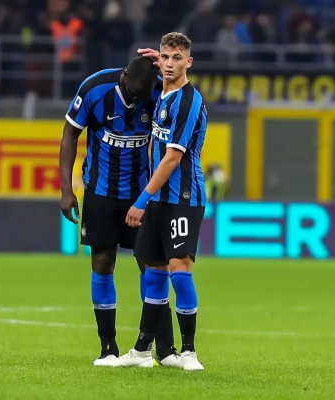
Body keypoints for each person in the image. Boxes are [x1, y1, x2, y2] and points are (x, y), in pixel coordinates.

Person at [59, 56, 181, 368]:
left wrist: (167, 62)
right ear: (124, 77)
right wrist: (66, 189)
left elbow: (186, 103)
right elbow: (70, 134)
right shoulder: (94, 88)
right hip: (100, 192)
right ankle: (108, 348)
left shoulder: (159, 93)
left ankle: (164, 349)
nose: (138, 100)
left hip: (141, 195)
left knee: (152, 265)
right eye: (134, 93)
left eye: (143, 95)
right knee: (102, 262)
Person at [117, 32, 207, 371]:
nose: (169, 64)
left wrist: (141, 199)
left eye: (176, 58)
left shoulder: (187, 101)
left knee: (180, 272)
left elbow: (171, 158)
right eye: (165, 57)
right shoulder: (164, 94)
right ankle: (142, 351)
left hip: (183, 197)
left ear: (189, 62)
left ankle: (189, 352)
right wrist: (157, 61)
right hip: (158, 199)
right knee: (153, 273)